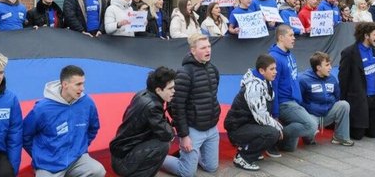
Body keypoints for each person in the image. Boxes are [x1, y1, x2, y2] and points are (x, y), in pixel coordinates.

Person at [23, 65, 105, 177]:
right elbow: (25, 135)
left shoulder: (87, 103)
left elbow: (93, 128)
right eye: (78, 84)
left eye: (83, 83)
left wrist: (79, 148)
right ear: (65, 84)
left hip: (76, 159)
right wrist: (40, 155)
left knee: (98, 170)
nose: (82, 89)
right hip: (49, 164)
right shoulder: (42, 109)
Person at [167, 34, 221, 177]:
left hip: (211, 128)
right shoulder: (184, 73)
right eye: (203, 48)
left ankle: (190, 156)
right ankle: (157, 159)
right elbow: (177, 107)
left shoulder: (213, 69)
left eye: (209, 46)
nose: (208, 50)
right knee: (187, 173)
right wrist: (184, 136)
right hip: (193, 130)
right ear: (193, 50)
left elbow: (212, 96)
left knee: (211, 167)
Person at [109, 67, 177, 177]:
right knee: (163, 145)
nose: (174, 91)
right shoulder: (152, 107)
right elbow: (167, 134)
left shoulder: (142, 94)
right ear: (158, 90)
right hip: (123, 161)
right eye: (170, 89)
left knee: (158, 139)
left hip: (120, 152)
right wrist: (172, 129)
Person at [223, 55, 283, 171]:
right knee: (273, 133)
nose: (275, 72)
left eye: (275, 68)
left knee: (272, 130)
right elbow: (261, 117)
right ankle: (243, 158)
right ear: (261, 70)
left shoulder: (266, 81)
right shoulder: (254, 87)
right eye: (272, 69)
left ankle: (251, 149)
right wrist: (278, 127)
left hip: (247, 124)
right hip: (237, 129)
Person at [269, 25, 318, 151]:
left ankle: (279, 137)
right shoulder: (274, 58)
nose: (294, 38)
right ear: (280, 37)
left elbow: (294, 79)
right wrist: (275, 114)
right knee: (311, 125)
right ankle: (274, 136)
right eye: (290, 35)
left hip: (294, 102)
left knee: (289, 148)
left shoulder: (289, 54)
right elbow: (273, 87)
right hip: (284, 103)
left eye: (294, 35)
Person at [339, 22, 375, 140]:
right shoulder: (349, 53)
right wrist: (343, 100)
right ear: (366, 36)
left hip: (374, 98)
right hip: (359, 99)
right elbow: (343, 78)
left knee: (372, 134)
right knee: (357, 135)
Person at [298, 52, 353, 146]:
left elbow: (337, 96)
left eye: (330, 64)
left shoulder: (332, 78)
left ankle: (340, 137)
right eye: (327, 65)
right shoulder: (303, 79)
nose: (330, 67)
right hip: (311, 116)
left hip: (327, 114)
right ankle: (309, 135)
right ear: (318, 67)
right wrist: (311, 109)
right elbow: (299, 101)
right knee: (309, 141)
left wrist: (329, 106)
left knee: (344, 104)